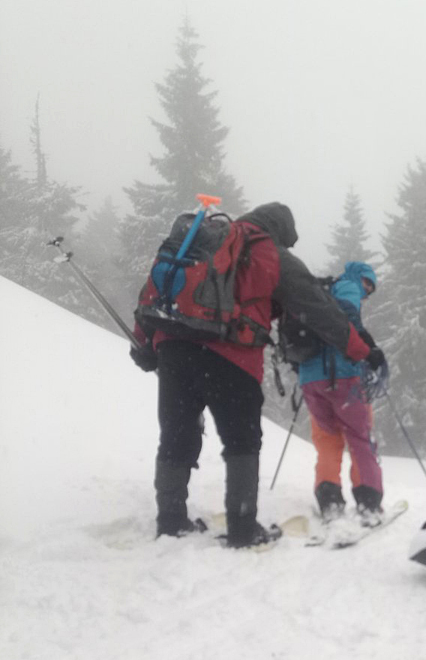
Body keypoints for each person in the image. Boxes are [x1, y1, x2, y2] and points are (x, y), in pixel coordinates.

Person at [130, 202, 382, 548]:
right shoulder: (268, 251)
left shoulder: (199, 241)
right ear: (282, 230)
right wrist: (364, 351)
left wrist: (144, 343)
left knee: (176, 435)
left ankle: (171, 523)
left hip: (173, 351)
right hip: (232, 358)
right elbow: (322, 312)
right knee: (241, 443)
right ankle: (243, 530)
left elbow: (154, 291)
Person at [296, 260, 388, 521]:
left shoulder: (318, 296)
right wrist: (370, 351)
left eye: (370, 288)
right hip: (343, 376)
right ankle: (369, 502)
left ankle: (329, 502)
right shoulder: (349, 286)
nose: (366, 291)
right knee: (360, 438)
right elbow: (348, 317)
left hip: (311, 379)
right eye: (367, 283)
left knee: (327, 440)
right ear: (358, 278)